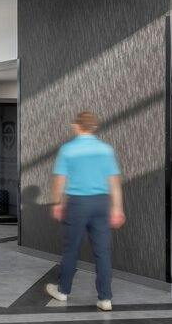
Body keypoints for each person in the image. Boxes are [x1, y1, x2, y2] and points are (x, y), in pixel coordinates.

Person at [44, 110, 124, 311]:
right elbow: (114, 181)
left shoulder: (68, 150)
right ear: (94, 127)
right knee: (103, 252)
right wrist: (117, 208)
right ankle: (105, 299)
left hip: (77, 204)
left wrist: (56, 203)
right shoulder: (106, 150)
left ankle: (63, 291)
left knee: (71, 249)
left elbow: (59, 181)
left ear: (76, 126)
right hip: (101, 203)